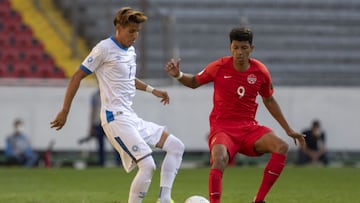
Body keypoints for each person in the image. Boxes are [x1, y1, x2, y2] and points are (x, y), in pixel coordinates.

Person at [50, 7, 184, 203]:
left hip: (130, 116)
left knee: (176, 146)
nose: (135, 35)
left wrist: (153, 90)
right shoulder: (103, 48)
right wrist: (65, 110)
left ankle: (164, 199)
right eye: (131, 31)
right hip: (114, 118)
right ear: (119, 27)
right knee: (147, 165)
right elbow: (78, 75)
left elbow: (129, 79)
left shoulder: (131, 51)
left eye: (138, 31)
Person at [165, 27, 305, 203]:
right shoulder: (219, 66)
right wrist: (177, 74)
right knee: (220, 158)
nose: (239, 52)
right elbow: (194, 82)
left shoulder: (260, 71)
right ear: (230, 47)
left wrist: (288, 129)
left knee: (282, 146)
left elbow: (269, 100)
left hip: (248, 128)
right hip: (222, 129)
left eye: (244, 48)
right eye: (236, 47)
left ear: (251, 49)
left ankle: (259, 200)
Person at [78, 88, 122, 167]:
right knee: (101, 145)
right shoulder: (95, 96)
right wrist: (91, 126)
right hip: (99, 123)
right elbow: (93, 111)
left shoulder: (111, 95)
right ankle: (102, 163)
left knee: (115, 143)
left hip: (109, 122)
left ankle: (119, 162)